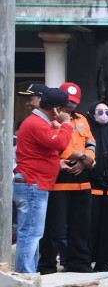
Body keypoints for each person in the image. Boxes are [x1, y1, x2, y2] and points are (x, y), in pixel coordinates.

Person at [14, 87, 73, 273]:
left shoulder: (38, 121)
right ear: (57, 109)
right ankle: (26, 275)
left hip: (34, 182)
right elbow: (60, 143)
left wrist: (56, 162)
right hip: (33, 183)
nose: (67, 112)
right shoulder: (37, 123)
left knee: (32, 232)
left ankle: (28, 272)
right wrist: (67, 125)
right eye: (65, 109)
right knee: (31, 232)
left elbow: (44, 150)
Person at [39, 82, 96, 274]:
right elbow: (58, 146)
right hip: (60, 179)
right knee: (54, 229)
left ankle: (79, 264)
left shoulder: (82, 119)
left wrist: (87, 160)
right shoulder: (50, 121)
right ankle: (47, 266)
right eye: (68, 102)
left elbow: (91, 142)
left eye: (74, 103)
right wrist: (81, 157)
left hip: (83, 178)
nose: (70, 107)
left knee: (81, 228)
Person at [87, 100, 108, 271]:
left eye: (107, 112)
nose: (104, 116)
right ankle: (84, 260)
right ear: (92, 114)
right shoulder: (88, 130)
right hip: (91, 187)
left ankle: (103, 261)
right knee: (89, 226)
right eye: (100, 112)